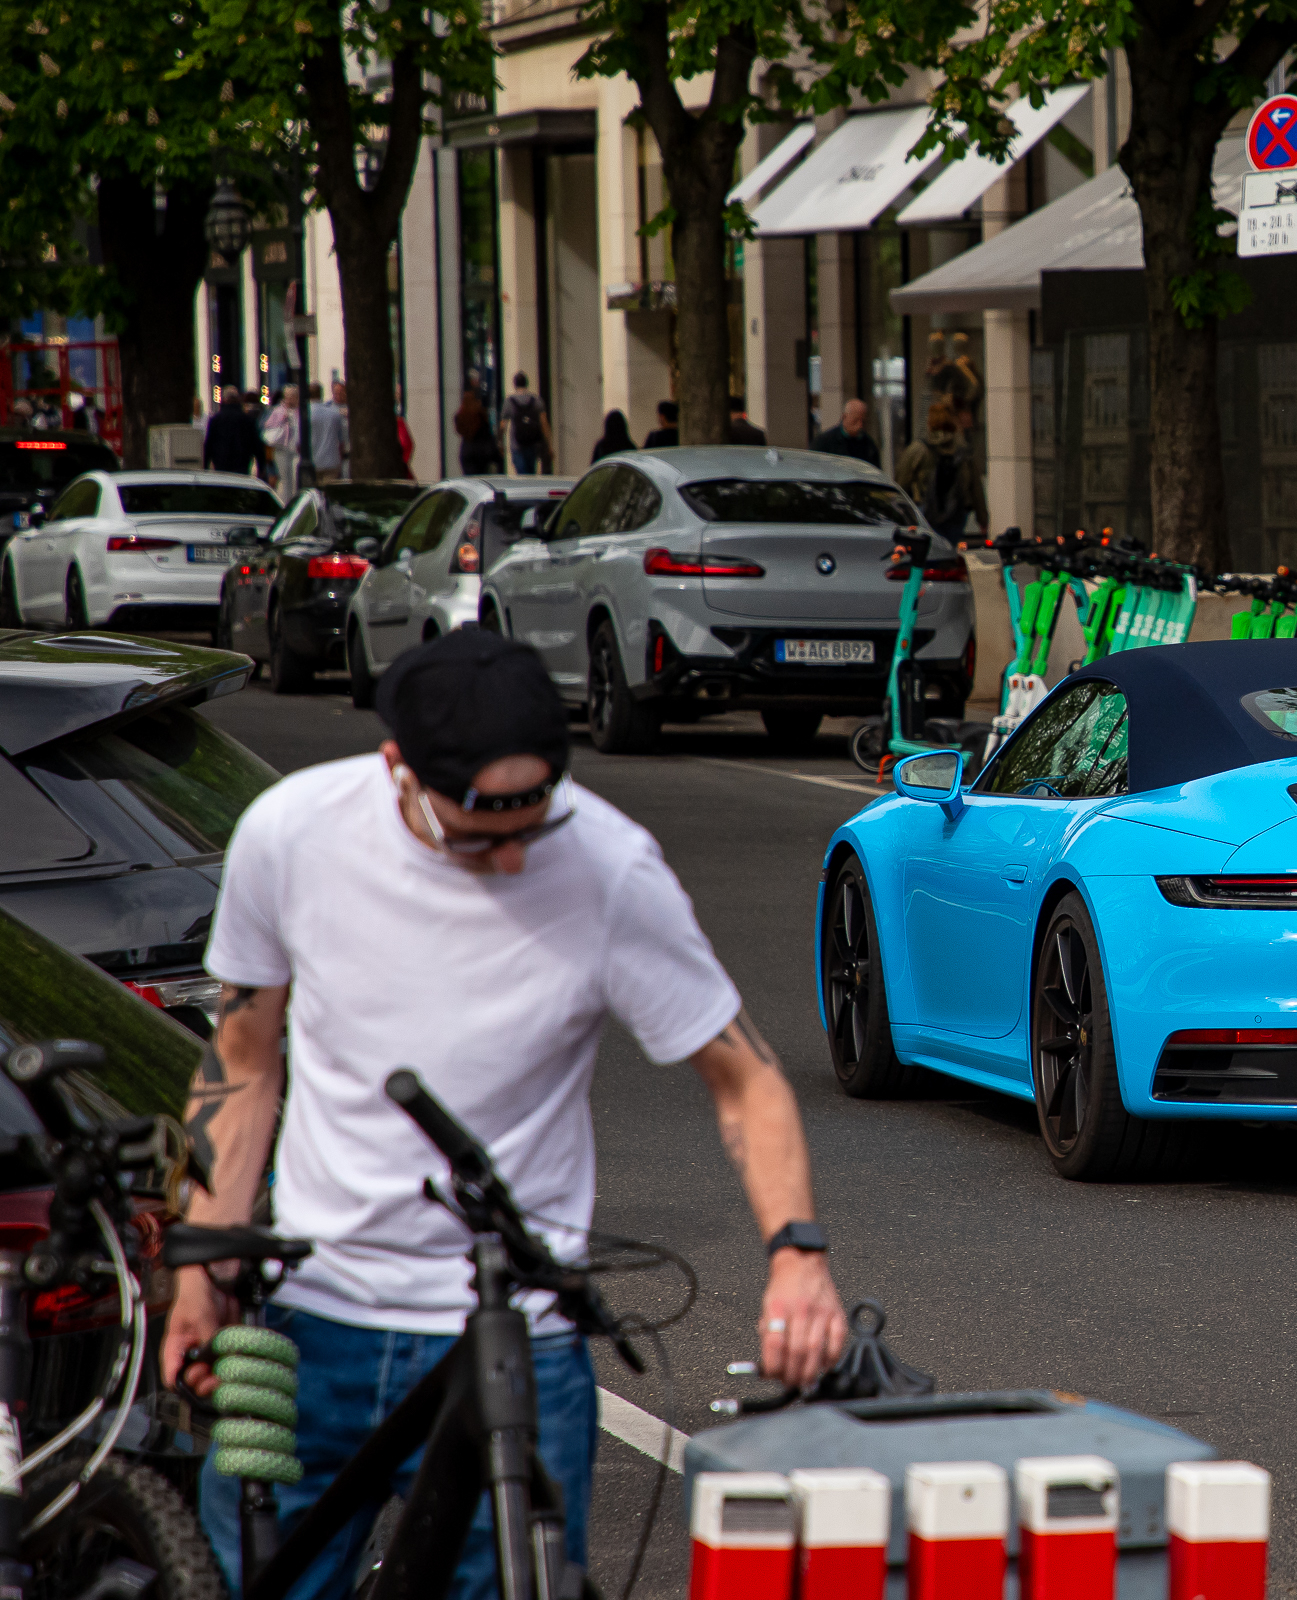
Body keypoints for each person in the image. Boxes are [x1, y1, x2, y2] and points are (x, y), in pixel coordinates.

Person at [169, 629, 851, 1600]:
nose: (516, 861)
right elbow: (243, 1061)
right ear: (395, 767)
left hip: (518, 1336)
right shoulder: (292, 834)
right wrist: (203, 1266)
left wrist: (798, 1255)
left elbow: (744, 1076)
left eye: (536, 825)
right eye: (481, 834)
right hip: (309, 1322)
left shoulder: (613, 867)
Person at [897, 398, 984, 539]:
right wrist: (983, 519)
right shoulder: (963, 450)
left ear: (929, 422)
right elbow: (976, 487)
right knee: (950, 549)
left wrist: (900, 513)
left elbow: (901, 483)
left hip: (926, 511)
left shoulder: (918, 449)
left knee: (927, 551)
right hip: (957, 513)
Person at [503, 372, 554, 475]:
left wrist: (500, 442)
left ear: (515, 384)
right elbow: (544, 423)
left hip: (517, 445)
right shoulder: (536, 400)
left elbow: (503, 425)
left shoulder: (509, 401)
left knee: (521, 475)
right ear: (526, 383)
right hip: (533, 443)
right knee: (531, 475)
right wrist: (549, 445)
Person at [203, 387, 261, 477]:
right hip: (242, 463)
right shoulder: (247, 420)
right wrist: (261, 466)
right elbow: (256, 445)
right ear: (238, 400)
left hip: (221, 463)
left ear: (224, 400)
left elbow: (209, 444)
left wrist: (205, 466)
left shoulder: (216, 420)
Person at [812, 397, 880, 467]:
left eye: (863, 421)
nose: (860, 426)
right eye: (855, 421)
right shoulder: (824, 441)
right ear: (844, 417)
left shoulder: (868, 444)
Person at [262, 385, 303, 498]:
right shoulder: (278, 411)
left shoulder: (301, 411)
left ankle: (294, 499)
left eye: (293, 397)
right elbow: (267, 426)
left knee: (296, 478)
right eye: (288, 396)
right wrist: (282, 420)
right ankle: (285, 502)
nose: (290, 399)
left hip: (296, 450)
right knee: (285, 478)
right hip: (281, 448)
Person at [308, 381, 349, 484]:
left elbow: (298, 444)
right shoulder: (334, 413)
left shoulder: (304, 414)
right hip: (331, 461)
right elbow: (341, 441)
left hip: (312, 462)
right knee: (330, 494)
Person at [456, 383, 500, 476]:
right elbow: (487, 433)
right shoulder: (480, 414)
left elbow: (459, 430)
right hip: (482, 452)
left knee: (469, 478)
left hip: (467, 450)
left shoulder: (461, 416)